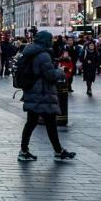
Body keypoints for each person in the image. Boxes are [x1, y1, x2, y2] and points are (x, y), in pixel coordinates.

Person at [17, 31, 76, 162]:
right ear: (45, 41)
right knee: (49, 123)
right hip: (42, 93)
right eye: (50, 39)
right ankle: (58, 151)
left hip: (33, 91)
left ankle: (24, 151)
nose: (52, 42)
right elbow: (50, 75)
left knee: (32, 123)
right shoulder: (43, 55)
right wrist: (60, 71)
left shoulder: (31, 51)